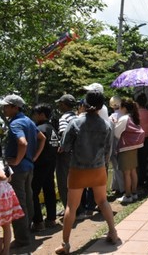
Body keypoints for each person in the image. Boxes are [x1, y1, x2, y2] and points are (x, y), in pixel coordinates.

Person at [56, 90, 118, 254]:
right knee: (103, 201)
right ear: (101, 106)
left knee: (71, 207)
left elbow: (65, 146)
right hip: (98, 169)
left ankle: (66, 244)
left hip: (78, 169)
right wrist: (102, 163)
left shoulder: (75, 122)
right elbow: (108, 150)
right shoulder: (106, 124)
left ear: (84, 103)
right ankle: (113, 232)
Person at [0, 94, 46, 249]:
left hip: (18, 170)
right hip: (28, 167)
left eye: (6, 106)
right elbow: (42, 138)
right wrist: (33, 158)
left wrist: (17, 160)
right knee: (28, 200)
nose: (3, 109)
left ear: (15, 107)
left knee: (18, 203)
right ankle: (27, 232)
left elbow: (22, 143)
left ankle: (22, 239)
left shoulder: (16, 124)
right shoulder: (29, 122)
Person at [30, 103, 59, 231]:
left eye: (35, 114)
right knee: (49, 190)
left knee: (33, 192)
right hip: (51, 163)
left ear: (42, 115)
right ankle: (51, 219)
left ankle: (38, 222)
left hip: (40, 164)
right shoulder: (52, 128)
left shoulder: (40, 129)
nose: (34, 117)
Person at [114, 98, 145, 204]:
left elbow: (116, 134)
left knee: (126, 173)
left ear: (124, 108)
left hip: (125, 147)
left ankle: (128, 195)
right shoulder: (134, 117)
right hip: (134, 146)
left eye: (120, 106)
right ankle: (134, 193)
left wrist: (116, 123)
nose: (119, 109)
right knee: (133, 171)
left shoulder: (124, 118)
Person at [54, 94, 78, 217]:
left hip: (66, 154)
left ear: (64, 104)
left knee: (63, 181)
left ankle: (68, 208)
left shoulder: (64, 118)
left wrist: (62, 148)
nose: (59, 106)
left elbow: (64, 134)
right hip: (78, 154)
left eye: (60, 103)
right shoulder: (78, 117)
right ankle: (77, 207)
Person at [108, 96, 124, 197]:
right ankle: (116, 186)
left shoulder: (111, 117)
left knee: (116, 167)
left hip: (114, 143)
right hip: (124, 143)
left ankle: (121, 188)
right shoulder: (125, 115)